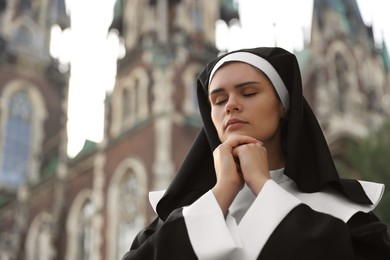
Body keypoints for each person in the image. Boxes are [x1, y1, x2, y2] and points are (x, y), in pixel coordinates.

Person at [122, 47, 390, 259]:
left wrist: (263, 186)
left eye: (248, 93)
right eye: (218, 100)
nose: (231, 106)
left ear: (284, 106)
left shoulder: (346, 216)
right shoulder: (175, 220)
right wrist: (223, 190)